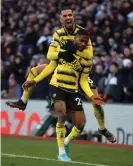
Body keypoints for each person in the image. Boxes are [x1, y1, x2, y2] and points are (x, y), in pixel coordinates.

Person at [6, 9, 116, 144]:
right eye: (65, 16)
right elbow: (50, 55)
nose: (68, 18)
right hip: (62, 67)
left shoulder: (82, 33)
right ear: (61, 19)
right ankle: (23, 101)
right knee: (35, 70)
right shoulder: (58, 34)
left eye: (70, 15)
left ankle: (102, 128)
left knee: (96, 101)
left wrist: (72, 51)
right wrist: (62, 54)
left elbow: (89, 55)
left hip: (80, 72)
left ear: (74, 17)